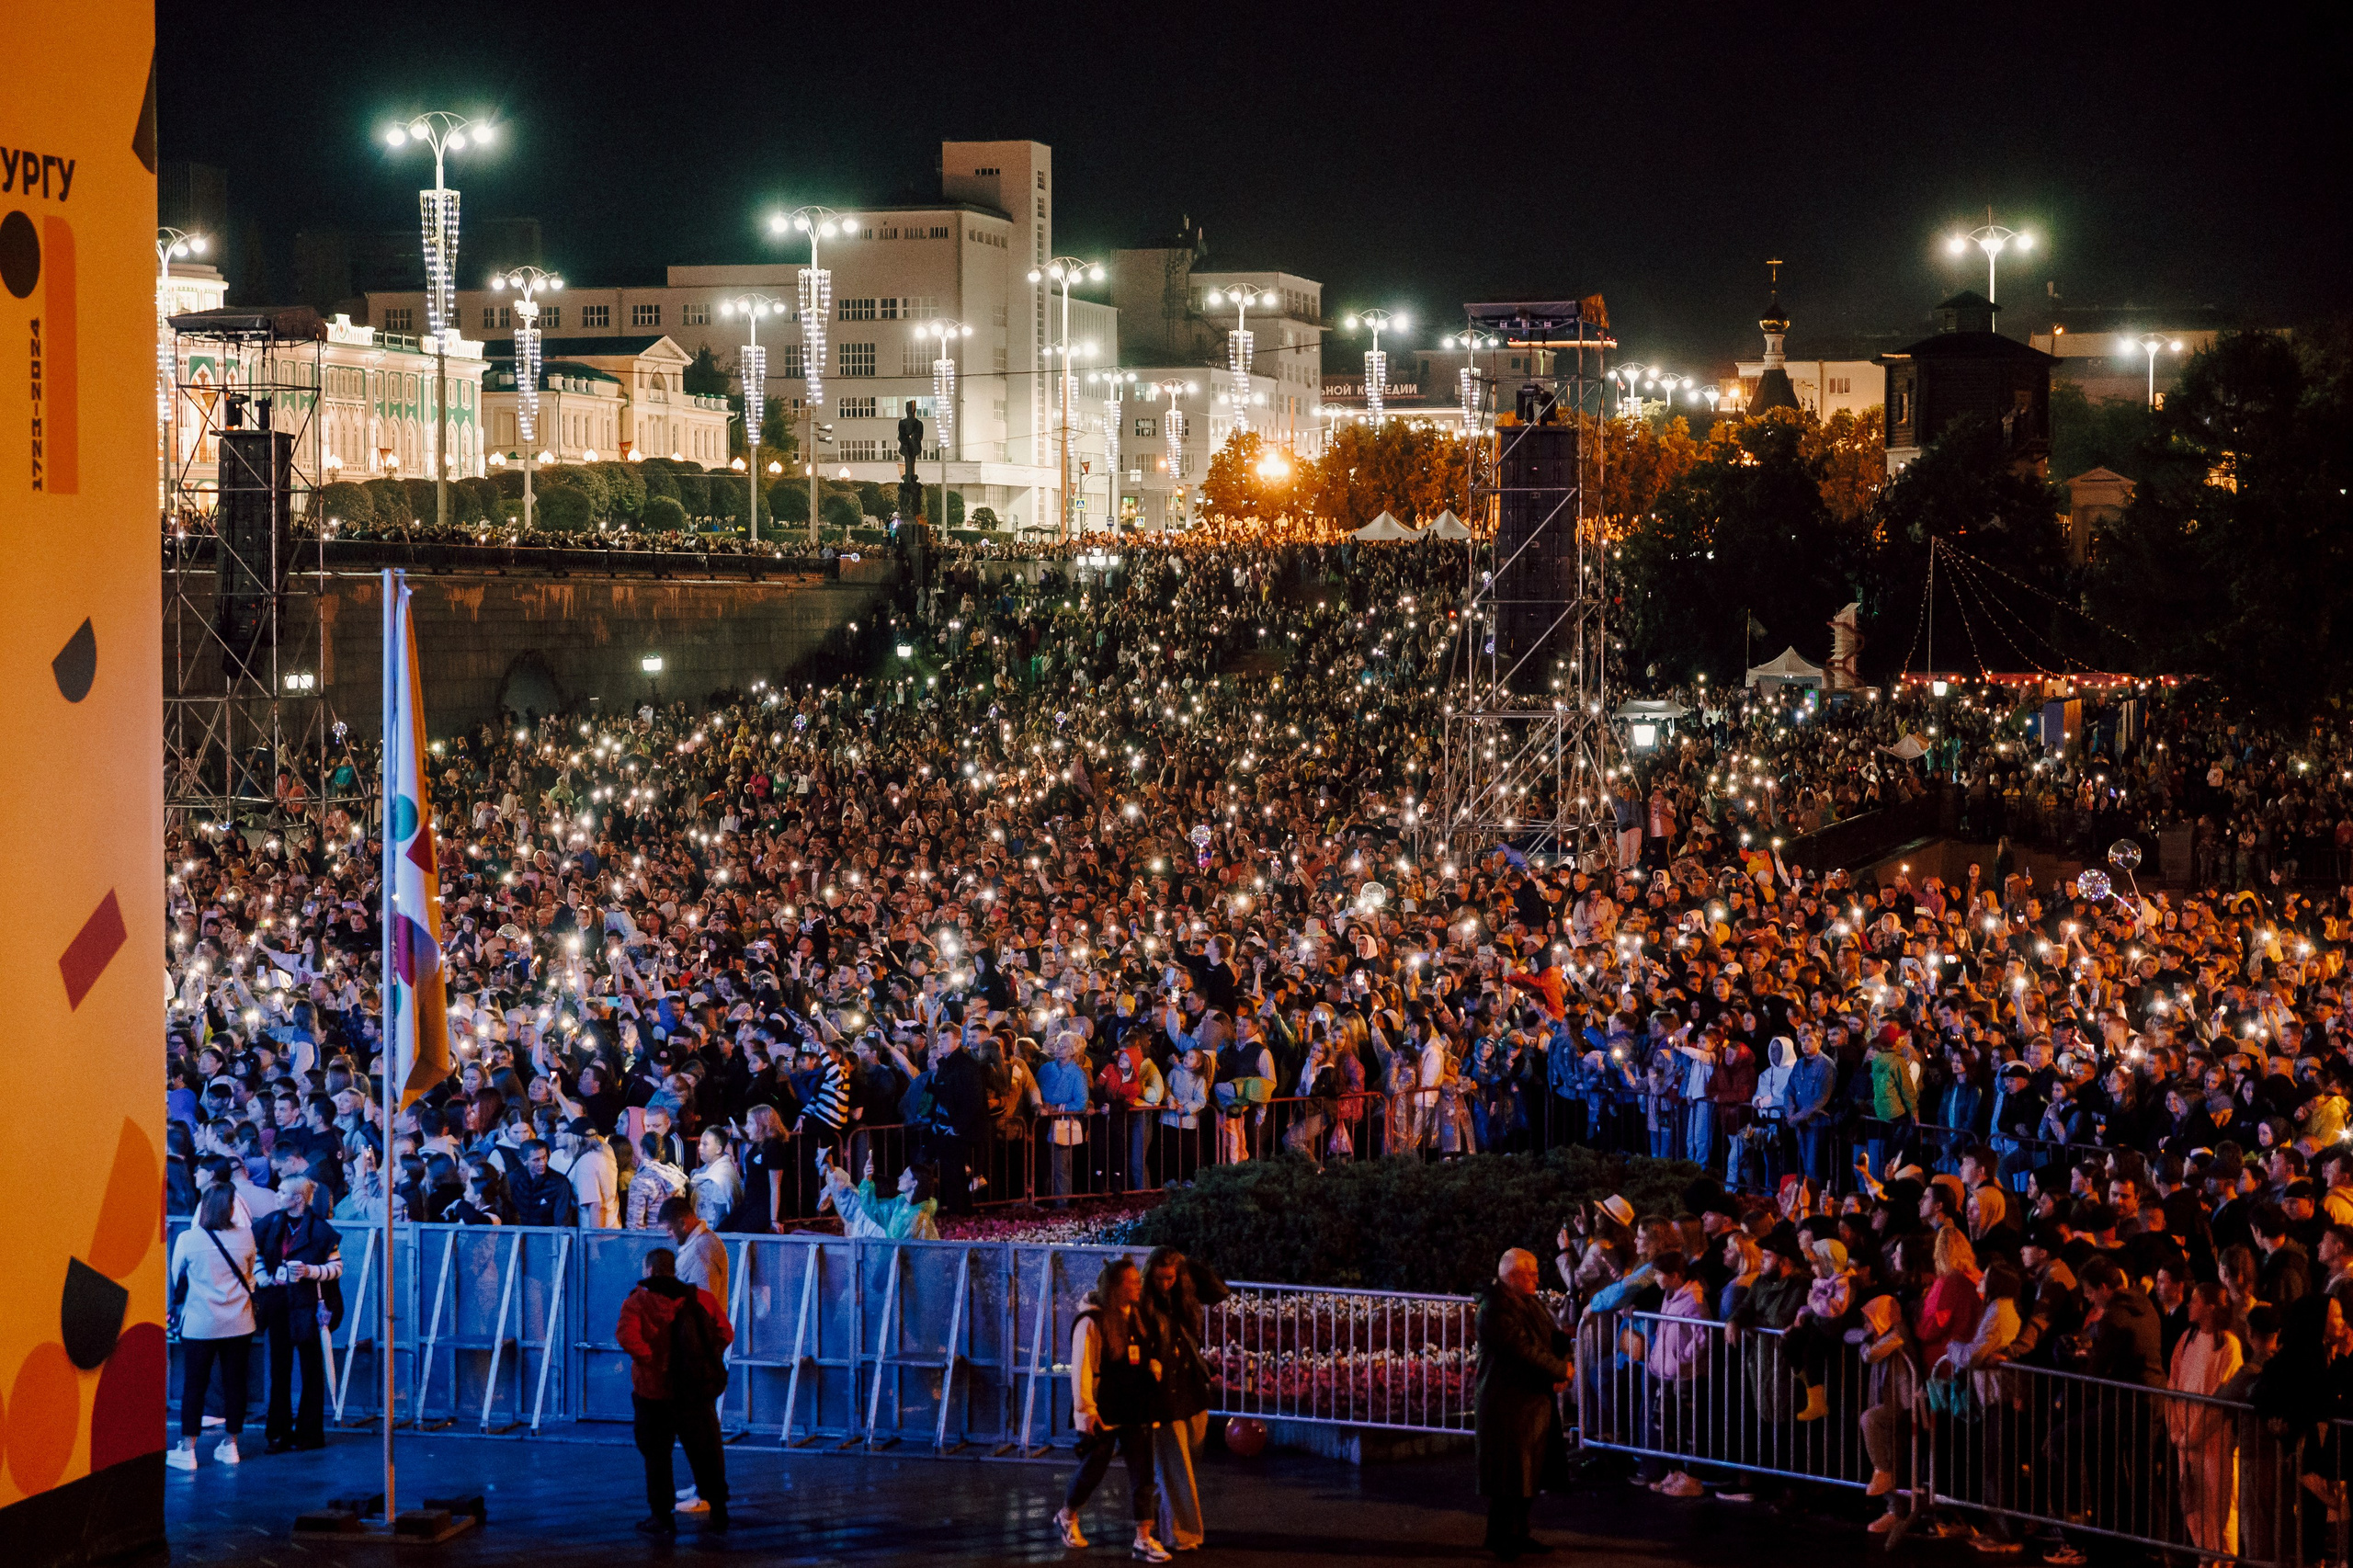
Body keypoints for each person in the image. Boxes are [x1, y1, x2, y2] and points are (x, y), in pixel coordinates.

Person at [1054, 1256, 1172, 1562]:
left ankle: (1143, 1538)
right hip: (1104, 1407)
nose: (1138, 1286)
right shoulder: (1092, 1321)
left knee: (1143, 1472)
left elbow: (1144, 1352)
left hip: (1136, 1406)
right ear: (1117, 1287)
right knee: (1094, 1467)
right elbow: (1082, 1368)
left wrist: (1153, 1368)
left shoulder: (1137, 1315)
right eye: (1132, 1282)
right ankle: (1067, 1515)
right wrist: (1086, 1410)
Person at [615, 1246, 733, 1536]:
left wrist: (653, 1362)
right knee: (706, 1452)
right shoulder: (700, 1298)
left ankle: (662, 1517)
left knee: (657, 1456)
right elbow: (725, 1332)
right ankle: (718, 1510)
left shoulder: (637, 1302)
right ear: (674, 1269)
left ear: (650, 1270)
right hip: (694, 1390)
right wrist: (702, 1360)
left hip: (653, 1393)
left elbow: (627, 1337)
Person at [1475, 1247, 1571, 1559]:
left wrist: (1563, 1364)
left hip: (1532, 1400)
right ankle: (1502, 1536)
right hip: (1507, 1402)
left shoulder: (1528, 1302)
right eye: (1531, 1275)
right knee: (1509, 1475)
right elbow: (1522, 1350)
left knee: (1528, 1472)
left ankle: (1518, 1533)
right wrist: (1560, 1371)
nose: (1537, 1280)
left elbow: (1553, 1338)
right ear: (1513, 1276)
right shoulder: (1494, 1309)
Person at [1143, 1245, 1230, 1552]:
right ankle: (1182, 1534)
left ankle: (1155, 1517)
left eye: (1170, 1277)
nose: (1164, 1284)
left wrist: (1189, 1266)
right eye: (1159, 1278)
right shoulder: (1146, 1303)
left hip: (1191, 1386)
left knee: (1186, 1460)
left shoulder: (1186, 1295)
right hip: (1164, 1391)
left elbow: (1219, 1291)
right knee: (1177, 1468)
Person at [167, 1185, 257, 1470]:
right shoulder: (246, 1236)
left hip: (200, 1323)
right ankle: (231, 1445)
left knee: (195, 1385)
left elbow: (176, 1276)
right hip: (239, 1321)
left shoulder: (188, 1239)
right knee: (235, 1383)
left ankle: (187, 1449)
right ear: (231, 1209)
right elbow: (250, 1275)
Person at [251, 1176, 343, 1452]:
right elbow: (254, 1253)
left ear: (298, 1199)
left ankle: (307, 1433)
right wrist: (263, 1278)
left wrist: (309, 1271)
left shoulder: (321, 1230)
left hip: (308, 1305)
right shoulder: (270, 1224)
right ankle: (279, 1432)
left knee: (310, 1370)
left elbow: (337, 1268)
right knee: (279, 1370)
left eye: (282, 1192)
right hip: (279, 1303)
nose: (277, 1195)